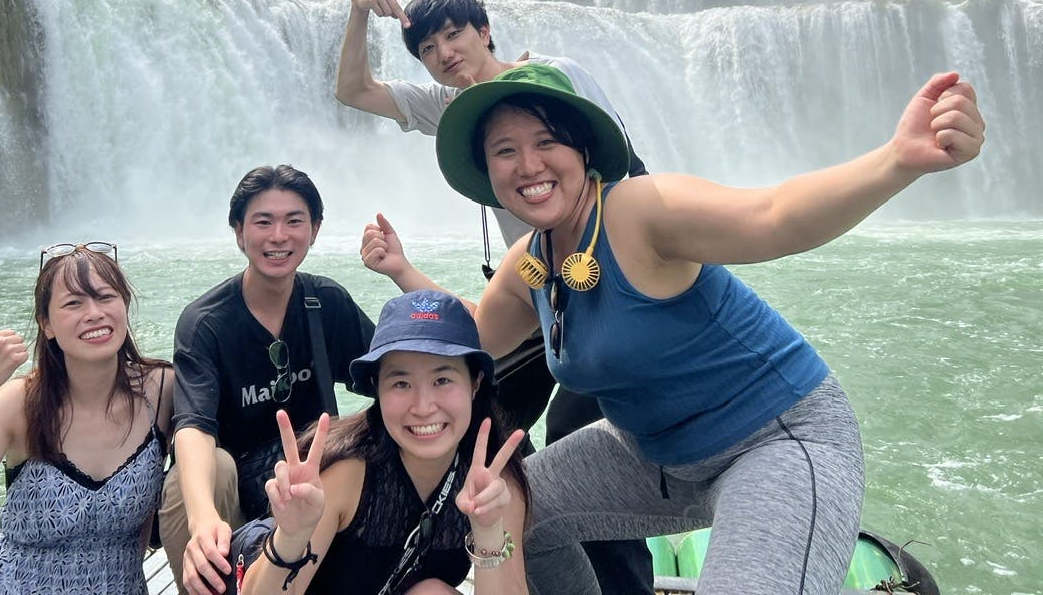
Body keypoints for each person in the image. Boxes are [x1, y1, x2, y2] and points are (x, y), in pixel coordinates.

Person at [362, 64, 985, 595]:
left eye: (547, 141)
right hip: (650, 452)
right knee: (510, 510)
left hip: (777, 442)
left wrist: (897, 161)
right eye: (505, 150)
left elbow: (775, 215)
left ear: (583, 151)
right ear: (489, 173)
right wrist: (401, 271)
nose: (528, 164)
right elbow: (471, 334)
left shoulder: (640, 211)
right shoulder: (532, 261)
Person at [336, 0, 653, 594]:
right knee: (484, 409)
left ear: (484, 30)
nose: (444, 52)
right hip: (541, 294)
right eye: (427, 46)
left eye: (454, 33)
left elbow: (625, 170)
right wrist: (357, 9)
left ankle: (619, 582)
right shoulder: (449, 108)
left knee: (576, 430)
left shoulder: (553, 78)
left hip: (602, 283)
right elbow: (353, 90)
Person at [0, 242, 172, 595]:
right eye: (74, 303)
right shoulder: (21, 403)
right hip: (12, 583)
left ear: (124, 305)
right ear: (47, 324)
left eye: (106, 297)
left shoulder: (162, 390)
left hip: (120, 584)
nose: (94, 313)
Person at [161, 165, 375, 595]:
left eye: (294, 221)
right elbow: (194, 429)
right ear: (239, 232)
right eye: (263, 222)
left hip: (310, 477)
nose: (279, 236)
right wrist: (204, 518)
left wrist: (399, 273)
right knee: (206, 472)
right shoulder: (207, 323)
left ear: (314, 230)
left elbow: (391, 379)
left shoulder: (325, 303)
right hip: (234, 489)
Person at [241, 289, 530, 595]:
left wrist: (487, 533)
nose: (422, 406)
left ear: (475, 383)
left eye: (442, 380)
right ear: (377, 389)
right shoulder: (346, 473)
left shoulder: (494, 484)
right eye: (401, 383)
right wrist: (291, 536)